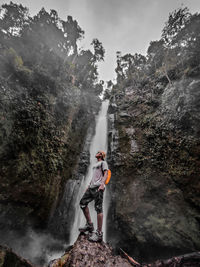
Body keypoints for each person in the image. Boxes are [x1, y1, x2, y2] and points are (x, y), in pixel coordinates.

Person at [79, 150, 108, 242]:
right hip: (91, 187)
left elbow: (106, 173)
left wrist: (102, 184)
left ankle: (99, 234)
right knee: (82, 203)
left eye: (99, 152)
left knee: (98, 208)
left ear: (102, 155)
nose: (97, 152)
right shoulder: (95, 165)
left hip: (98, 188)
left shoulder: (103, 163)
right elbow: (94, 176)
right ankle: (89, 225)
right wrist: (88, 185)